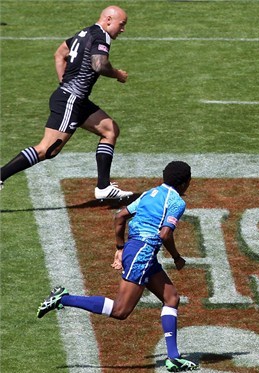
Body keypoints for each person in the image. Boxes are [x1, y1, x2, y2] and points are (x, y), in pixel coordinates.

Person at [36, 161, 199, 372]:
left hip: (137, 249)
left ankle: (174, 358)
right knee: (121, 310)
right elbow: (165, 234)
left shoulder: (150, 193)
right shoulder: (177, 202)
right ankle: (63, 298)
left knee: (171, 298)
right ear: (186, 183)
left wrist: (121, 247)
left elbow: (120, 216)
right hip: (143, 253)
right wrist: (177, 257)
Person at [0, 6, 133, 200]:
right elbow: (99, 64)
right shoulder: (101, 36)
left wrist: (65, 84)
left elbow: (60, 53)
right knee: (47, 149)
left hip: (74, 98)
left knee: (110, 130)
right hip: (70, 100)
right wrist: (117, 74)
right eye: (121, 25)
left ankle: (103, 187)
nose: (123, 30)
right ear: (109, 20)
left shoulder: (84, 32)